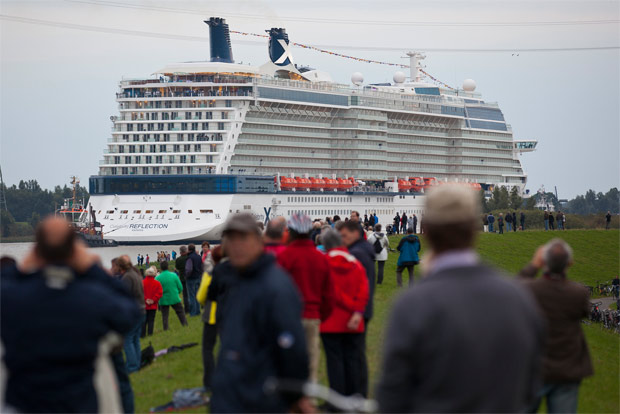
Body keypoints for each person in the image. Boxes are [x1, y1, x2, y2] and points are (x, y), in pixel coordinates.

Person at [376, 184, 544, 413]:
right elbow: (533, 388)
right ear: (474, 228)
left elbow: (392, 397)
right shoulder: (518, 298)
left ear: (429, 232)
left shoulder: (411, 305)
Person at [1, 217, 140, 413]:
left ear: (37, 250)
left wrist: (22, 268)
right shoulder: (90, 299)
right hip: (79, 402)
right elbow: (129, 309)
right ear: (74, 251)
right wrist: (93, 268)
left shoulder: (14, 298)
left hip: (25, 403)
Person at [210, 213, 311, 413]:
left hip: (259, 397)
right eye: (231, 239)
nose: (237, 245)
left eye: (243, 238)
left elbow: (293, 349)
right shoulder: (233, 281)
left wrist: (294, 395)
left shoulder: (275, 285)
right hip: (228, 394)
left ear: (259, 241)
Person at [519, 239, 593, 413]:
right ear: (570, 263)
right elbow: (585, 312)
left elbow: (514, 288)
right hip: (567, 370)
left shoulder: (530, 290)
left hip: (534, 367)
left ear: (544, 262)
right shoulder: (579, 293)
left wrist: (533, 266)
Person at [277, 213, 333, 385]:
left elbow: (276, 291)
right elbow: (329, 296)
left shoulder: (283, 257)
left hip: (287, 318)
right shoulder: (321, 258)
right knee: (310, 362)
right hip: (312, 316)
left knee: (285, 361)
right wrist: (319, 315)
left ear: (291, 233)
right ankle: (308, 401)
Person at [320, 228, 369, 397]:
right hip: (353, 320)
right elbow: (364, 289)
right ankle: (354, 396)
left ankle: (336, 399)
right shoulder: (356, 263)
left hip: (330, 320)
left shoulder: (324, 262)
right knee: (352, 360)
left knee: (334, 362)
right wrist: (357, 311)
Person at [338, 219, 375, 397]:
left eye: (344, 236)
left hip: (358, 310)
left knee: (354, 354)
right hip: (362, 309)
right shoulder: (363, 250)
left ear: (354, 233)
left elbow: (361, 284)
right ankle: (357, 392)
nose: (342, 239)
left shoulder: (358, 254)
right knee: (356, 353)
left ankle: (357, 393)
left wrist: (357, 310)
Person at [197, 245, 225, 393]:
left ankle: (209, 381)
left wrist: (205, 304)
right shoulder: (234, 272)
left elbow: (201, 296)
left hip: (211, 314)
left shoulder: (209, 274)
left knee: (208, 348)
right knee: (227, 346)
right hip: (228, 315)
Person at [118, 256, 145, 374]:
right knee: (135, 339)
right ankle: (137, 363)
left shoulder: (127, 277)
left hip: (133, 311)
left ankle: (132, 367)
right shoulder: (136, 274)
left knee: (128, 339)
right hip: (141, 309)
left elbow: (125, 295)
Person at [156, 260, 188, 330]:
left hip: (163, 299)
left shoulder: (157, 278)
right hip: (174, 297)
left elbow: (156, 290)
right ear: (167, 267)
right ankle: (185, 325)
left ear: (161, 268)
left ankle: (166, 328)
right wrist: (177, 293)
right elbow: (180, 287)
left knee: (165, 315)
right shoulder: (174, 275)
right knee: (180, 312)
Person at [141, 266, 163, 337]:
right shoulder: (157, 283)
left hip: (144, 305)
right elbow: (160, 293)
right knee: (151, 320)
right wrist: (153, 300)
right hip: (153, 305)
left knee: (144, 321)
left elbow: (139, 293)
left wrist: (146, 299)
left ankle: (143, 335)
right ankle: (150, 334)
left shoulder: (142, 282)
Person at [185, 243, 203, 316]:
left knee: (191, 296)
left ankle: (193, 312)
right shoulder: (199, 257)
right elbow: (202, 266)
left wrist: (186, 275)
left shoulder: (190, 257)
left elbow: (189, 269)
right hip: (198, 277)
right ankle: (198, 311)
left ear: (189, 250)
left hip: (191, 278)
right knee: (197, 295)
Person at [175, 245, 190, 314]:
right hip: (190, 277)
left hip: (182, 277)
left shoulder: (178, 259)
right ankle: (192, 308)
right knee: (191, 293)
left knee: (185, 294)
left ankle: (186, 309)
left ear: (180, 252)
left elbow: (177, 267)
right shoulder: (189, 258)